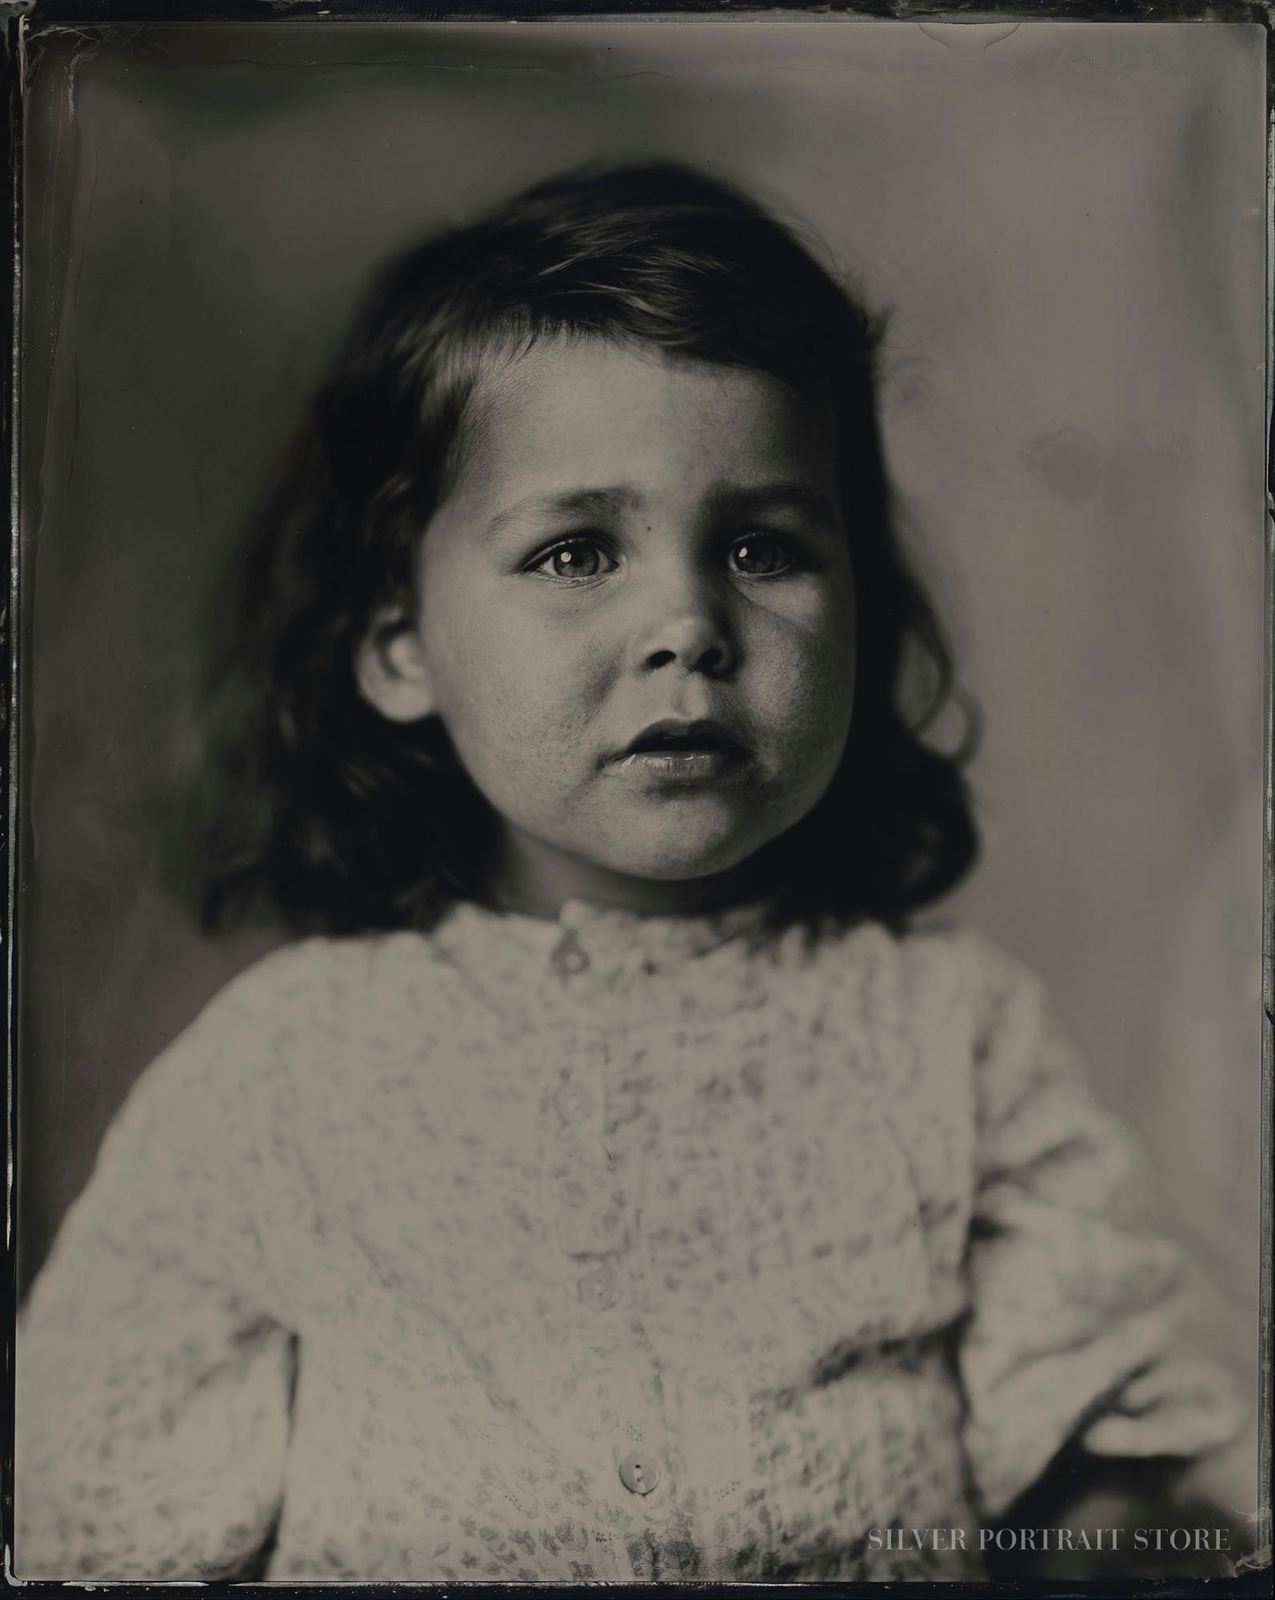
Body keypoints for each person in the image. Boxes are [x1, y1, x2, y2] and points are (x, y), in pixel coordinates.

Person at [15, 162, 1254, 1582]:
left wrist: (1115, 1538)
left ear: (864, 610)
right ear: (400, 645)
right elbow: (90, 1519)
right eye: (576, 550)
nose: (688, 618)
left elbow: (1106, 1484)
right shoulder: (282, 1075)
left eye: (760, 546)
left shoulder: (952, 1040)